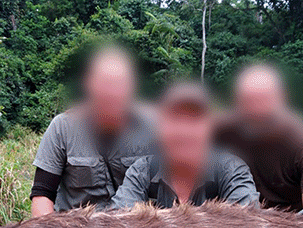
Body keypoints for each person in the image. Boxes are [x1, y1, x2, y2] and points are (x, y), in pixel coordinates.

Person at [30, 46, 155, 216]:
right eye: (105, 83)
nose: (111, 92)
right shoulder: (62, 128)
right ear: (89, 85)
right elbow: (42, 194)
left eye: (119, 84)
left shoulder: (152, 126)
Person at [217, 63, 303, 228]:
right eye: (248, 101)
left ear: (282, 99)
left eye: (264, 99)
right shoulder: (221, 132)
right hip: (234, 227)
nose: (256, 110)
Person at [111, 81, 259, 209]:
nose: (184, 132)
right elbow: (119, 222)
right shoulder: (141, 171)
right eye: (175, 119)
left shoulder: (232, 170)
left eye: (194, 120)